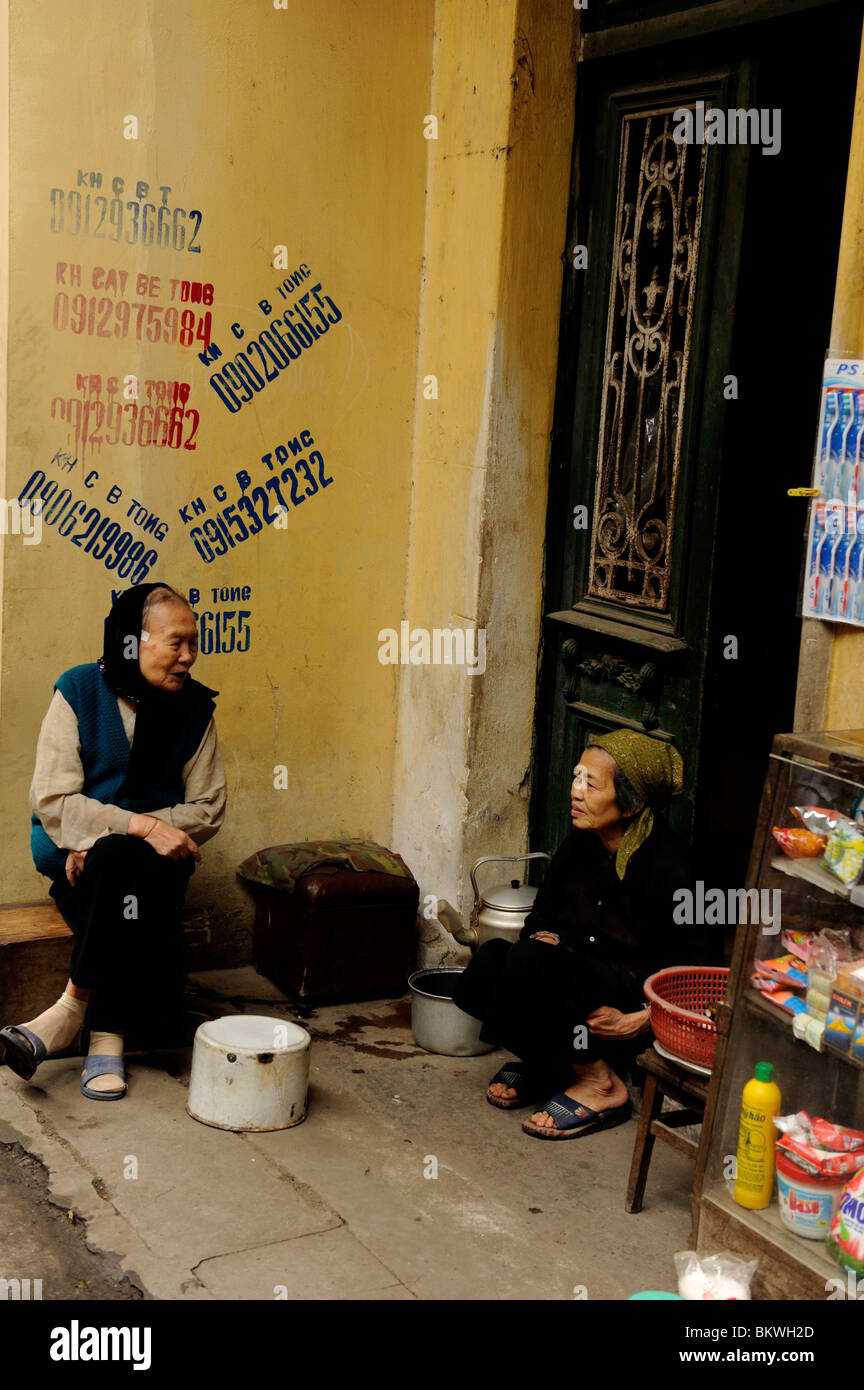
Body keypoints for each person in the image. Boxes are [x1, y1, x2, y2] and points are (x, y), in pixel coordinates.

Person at [1, 583, 226, 1101]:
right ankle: (108, 1032)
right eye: (177, 643)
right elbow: (54, 802)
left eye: (193, 643)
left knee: (118, 861)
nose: (189, 657)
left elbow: (208, 809)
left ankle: (73, 1013)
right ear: (132, 642)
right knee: (123, 862)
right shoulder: (78, 691)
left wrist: (106, 836)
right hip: (71, 856)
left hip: (132, 865)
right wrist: (142, 826)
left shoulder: (195, 711)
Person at [452, 730, 699, 1140]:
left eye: (591, 784)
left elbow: (696, 968)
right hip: (571, 990)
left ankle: (601, 1084)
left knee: (529, 963)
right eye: (575, 778)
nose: (575, 792)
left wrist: (643, 1019)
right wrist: (546, 938)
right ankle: (553, 1062)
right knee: (490, 963)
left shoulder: (673, 866)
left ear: (631, 802)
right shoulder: (579, 844)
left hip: (621, 1011)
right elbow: (539, 922)